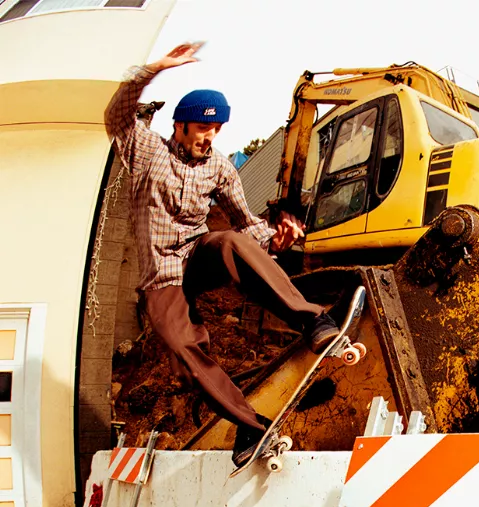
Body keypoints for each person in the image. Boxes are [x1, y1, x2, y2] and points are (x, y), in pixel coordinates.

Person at [104, 43, 340, 466]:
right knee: (185, 351)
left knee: (232, 241)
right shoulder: (147, 151)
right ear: (180, 126)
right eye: (200, 129)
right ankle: (251, 426)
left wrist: (275, 239)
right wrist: (153, 70)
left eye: (215, 131)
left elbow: (246, 222)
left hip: (198, 254)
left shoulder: (220, 167)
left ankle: (314, 321)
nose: (208, 138)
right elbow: (116, 114)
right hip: (162, 276)